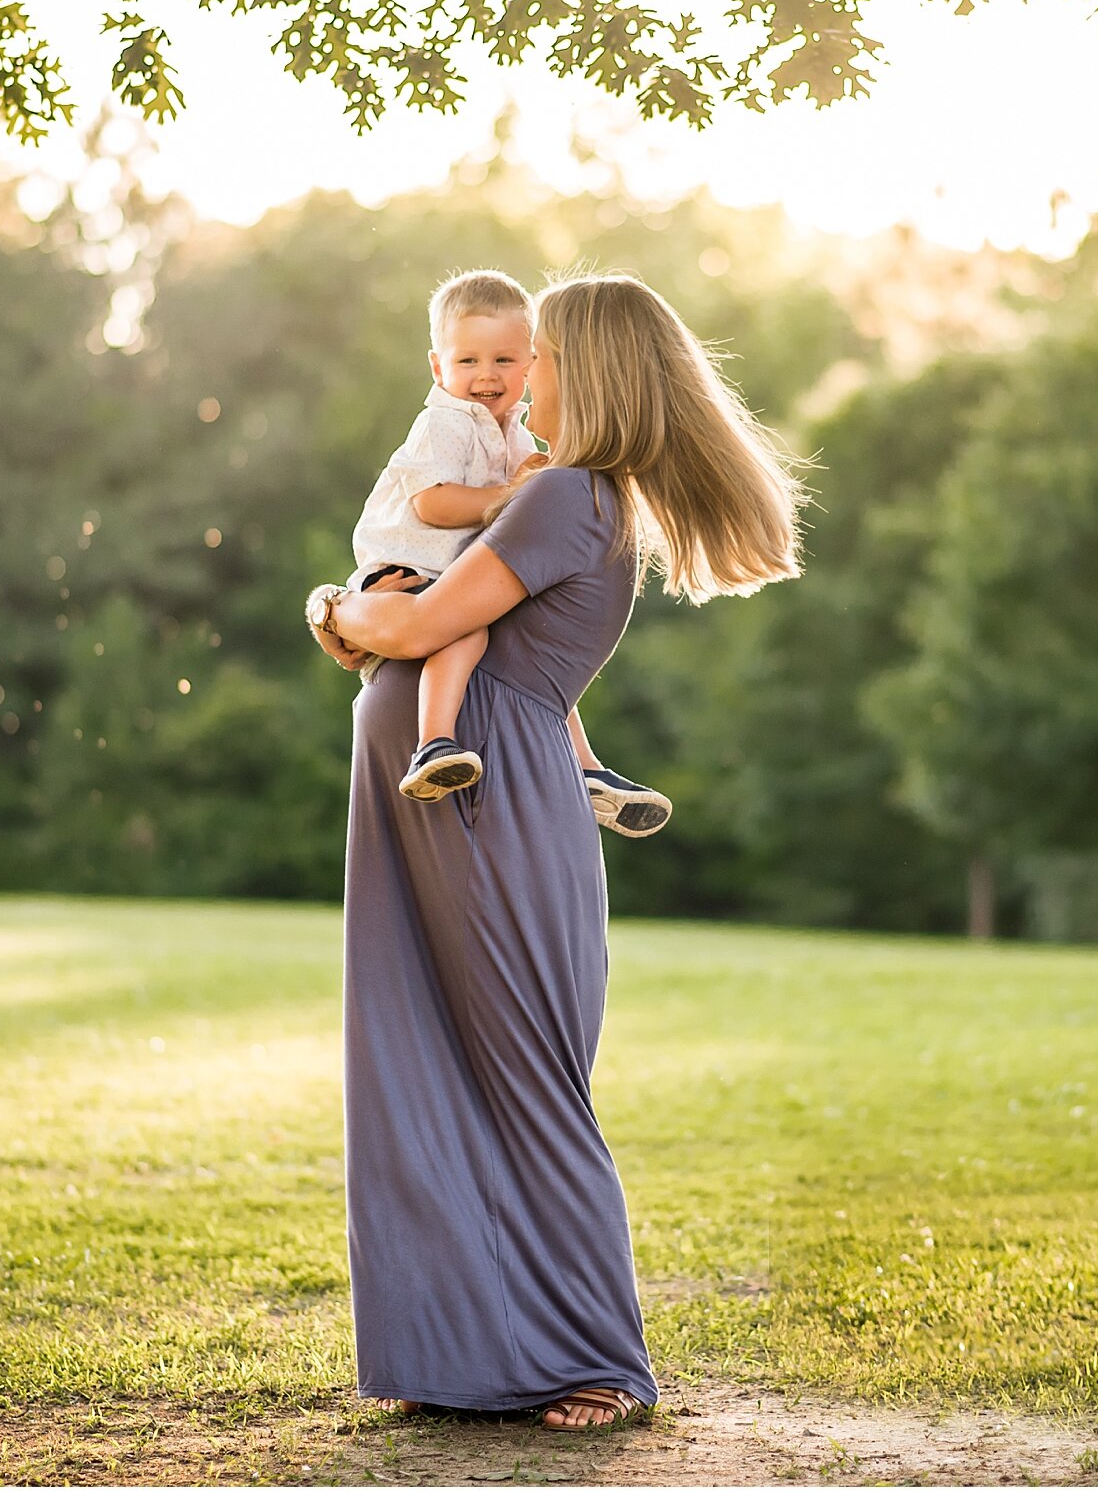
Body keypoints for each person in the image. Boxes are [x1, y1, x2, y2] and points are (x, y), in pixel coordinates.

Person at [303, 272, 809, 1430]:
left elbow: (418, 624)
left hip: (483, 800)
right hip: (447, 796)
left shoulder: (566, 494)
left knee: (526, 1075)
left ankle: (598, 1358)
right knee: (432, 1054)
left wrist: (332, 606)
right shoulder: (572, 493)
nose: (527, 375)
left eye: (546, 356)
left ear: (588, 371)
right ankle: (469, 1349)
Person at [346, 268, 669, 838]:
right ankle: (433, 742)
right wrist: (511, 494)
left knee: (527, 659)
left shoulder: (518, 436)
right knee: (467, 633)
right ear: (437, 366)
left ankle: (587, 769)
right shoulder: (443, 424)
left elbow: (525, 504)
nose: (486, 376)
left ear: (529, 365)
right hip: (407, 567)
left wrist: (529, 480)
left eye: (507, 360)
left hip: (448, 576)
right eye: (467, 361)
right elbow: (435, 506)